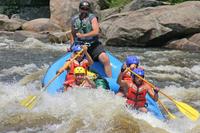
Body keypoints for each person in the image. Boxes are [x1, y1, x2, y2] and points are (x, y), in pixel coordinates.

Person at [69, 0, 112, 77]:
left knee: (105, 59)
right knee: (73, 60)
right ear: (79, 9)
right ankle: (72, 77)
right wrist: (72, 45)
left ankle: (110, 79)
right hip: (80, 45)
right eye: (83, 8)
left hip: (93, 44)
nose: (84, 11)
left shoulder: (92, 18)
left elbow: (96, 31)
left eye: (86, 9)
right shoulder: (74, 19)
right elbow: (72, 33)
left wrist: (83, 35)